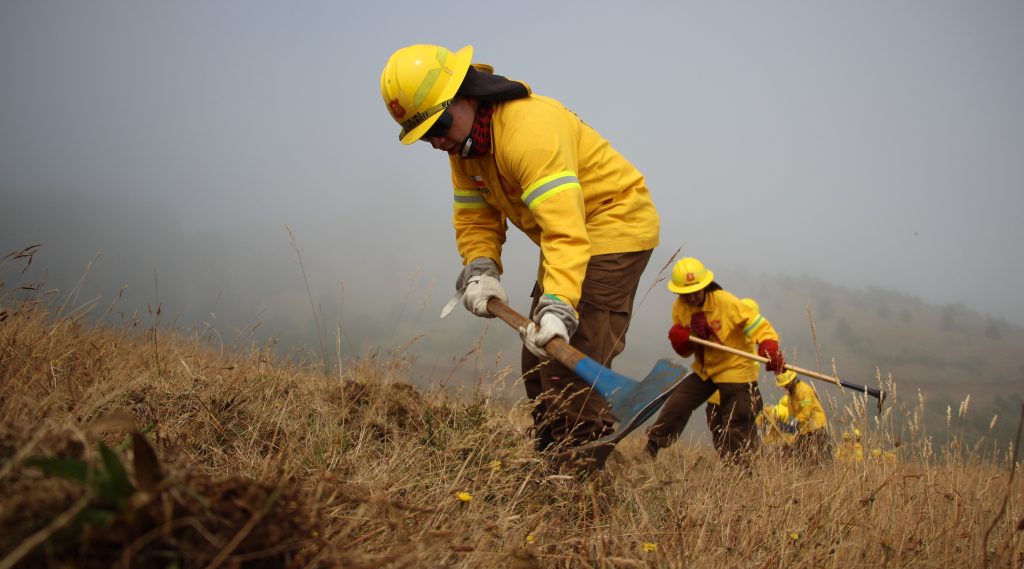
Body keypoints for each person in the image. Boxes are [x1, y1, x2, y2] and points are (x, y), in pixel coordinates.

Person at [380, 45, 660, 469]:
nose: (436, 141)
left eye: (437, 124)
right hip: (568, 235)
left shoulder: (530, 131)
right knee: (538, 358)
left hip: (613, 226)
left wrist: (560, 305)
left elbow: (566, 230)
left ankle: (579, 477)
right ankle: (550, 458)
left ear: (467, 95)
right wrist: (481, 269)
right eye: (423, 136)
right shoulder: (465, 147)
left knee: (568, 359)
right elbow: (475, 218)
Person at [645, 257, 786, 463]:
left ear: (705, 285)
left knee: (737, 418)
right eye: (686, 293)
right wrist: (682, 341)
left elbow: (758, 325)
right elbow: (685, 352)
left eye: (696, 291)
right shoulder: (680, 309)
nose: (692, 297)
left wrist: (768, 346)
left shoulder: (725, 302)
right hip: (706, 369)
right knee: (678, 403)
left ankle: (741, 470)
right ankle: (652, 447)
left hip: (735, 368)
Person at [776, 370, 831, 463]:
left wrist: (794, 421)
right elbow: (792, 412)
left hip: (816, 426)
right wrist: (789, 424)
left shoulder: (804, 390)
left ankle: (827, 471)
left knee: (821, 453)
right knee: (802, 453)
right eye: (783, 385)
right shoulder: (791, 394)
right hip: (804, 428)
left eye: (785, 384)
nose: (784, 387)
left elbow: (807, 411)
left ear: (793, 381)